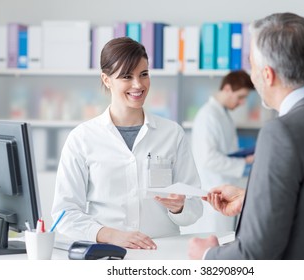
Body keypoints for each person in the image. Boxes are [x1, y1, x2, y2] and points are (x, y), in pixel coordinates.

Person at [188, 12, 304, 259]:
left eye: (252, 66)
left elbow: (255, 254)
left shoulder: (281, 133)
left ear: (267, 75)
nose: (252, 77)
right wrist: (254, 199)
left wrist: (207, 255)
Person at [52, 37, 202, 250]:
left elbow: (195, 207)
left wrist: (180, 207)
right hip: (106, 253)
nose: (138, 85)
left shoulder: (172, 134)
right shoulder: (82, 138)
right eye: (126, 76)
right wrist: (110, 235)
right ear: (106, 80)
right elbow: (64, 214)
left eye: (144, 74)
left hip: (162, 252)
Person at [184, 70, 255, 234]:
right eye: (241, 97)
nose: (242, 102)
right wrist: (244, 163)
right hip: (213, 193)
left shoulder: (223, 115)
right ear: (228, 89)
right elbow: (208, 158)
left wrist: (244, 157)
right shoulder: (207, 115)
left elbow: (226, 151)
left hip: (225, 191)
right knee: (213, 246)